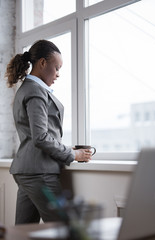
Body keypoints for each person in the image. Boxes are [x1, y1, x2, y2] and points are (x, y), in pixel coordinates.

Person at [5, 39, 92, 224]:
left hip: (27, 170)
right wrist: (72, 154)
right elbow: (41, 138)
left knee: (23, 231)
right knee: (66, 229)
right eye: (57, 68)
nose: (58, 74)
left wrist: (65, 147)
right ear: (42, 63)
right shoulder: (36, 91)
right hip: (39, 172)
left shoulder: (28, 89)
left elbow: (36, 135)